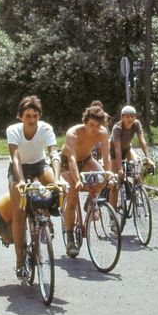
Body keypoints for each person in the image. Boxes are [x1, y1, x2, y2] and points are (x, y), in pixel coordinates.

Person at [6, 96, 61, 278]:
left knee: (57, 187)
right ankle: (20, 261)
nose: (31, 120)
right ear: (20, 116)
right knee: (19, 212)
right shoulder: (13, 130)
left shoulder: (46, 129)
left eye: (35, 116)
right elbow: (15, 157)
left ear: (40, 116)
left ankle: (47, 216)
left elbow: (54, 154)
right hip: (18, 168)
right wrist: (20, 180)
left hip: (39, 164)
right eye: (28, 116)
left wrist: (58, 179)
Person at [60, 104, 113, 257]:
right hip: (68, 161)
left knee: (103, 177)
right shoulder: (73, 133)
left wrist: (109, 173)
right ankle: (70, 238)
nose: (94, 129)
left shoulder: (102, 132)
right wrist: (77, 180)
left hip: (87, 159)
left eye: (97, 125)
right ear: (85, 122)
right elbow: (70, 159)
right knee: (72, 196)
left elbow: (106, 155)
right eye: (91, 124)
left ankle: (91, 200)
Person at [108, 105, 155, 219]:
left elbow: (141, 140)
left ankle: (138, 191)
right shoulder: (117, 128)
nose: (130, 119)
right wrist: (119, 168)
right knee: (116, 183)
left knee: (137, 165)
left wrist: (148, 158)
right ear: (122, 117)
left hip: (127, 149)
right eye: (127, 116)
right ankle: (112, 215)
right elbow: (118, 150)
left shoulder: (136, 124)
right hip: (114, 153)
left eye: (132, 116)